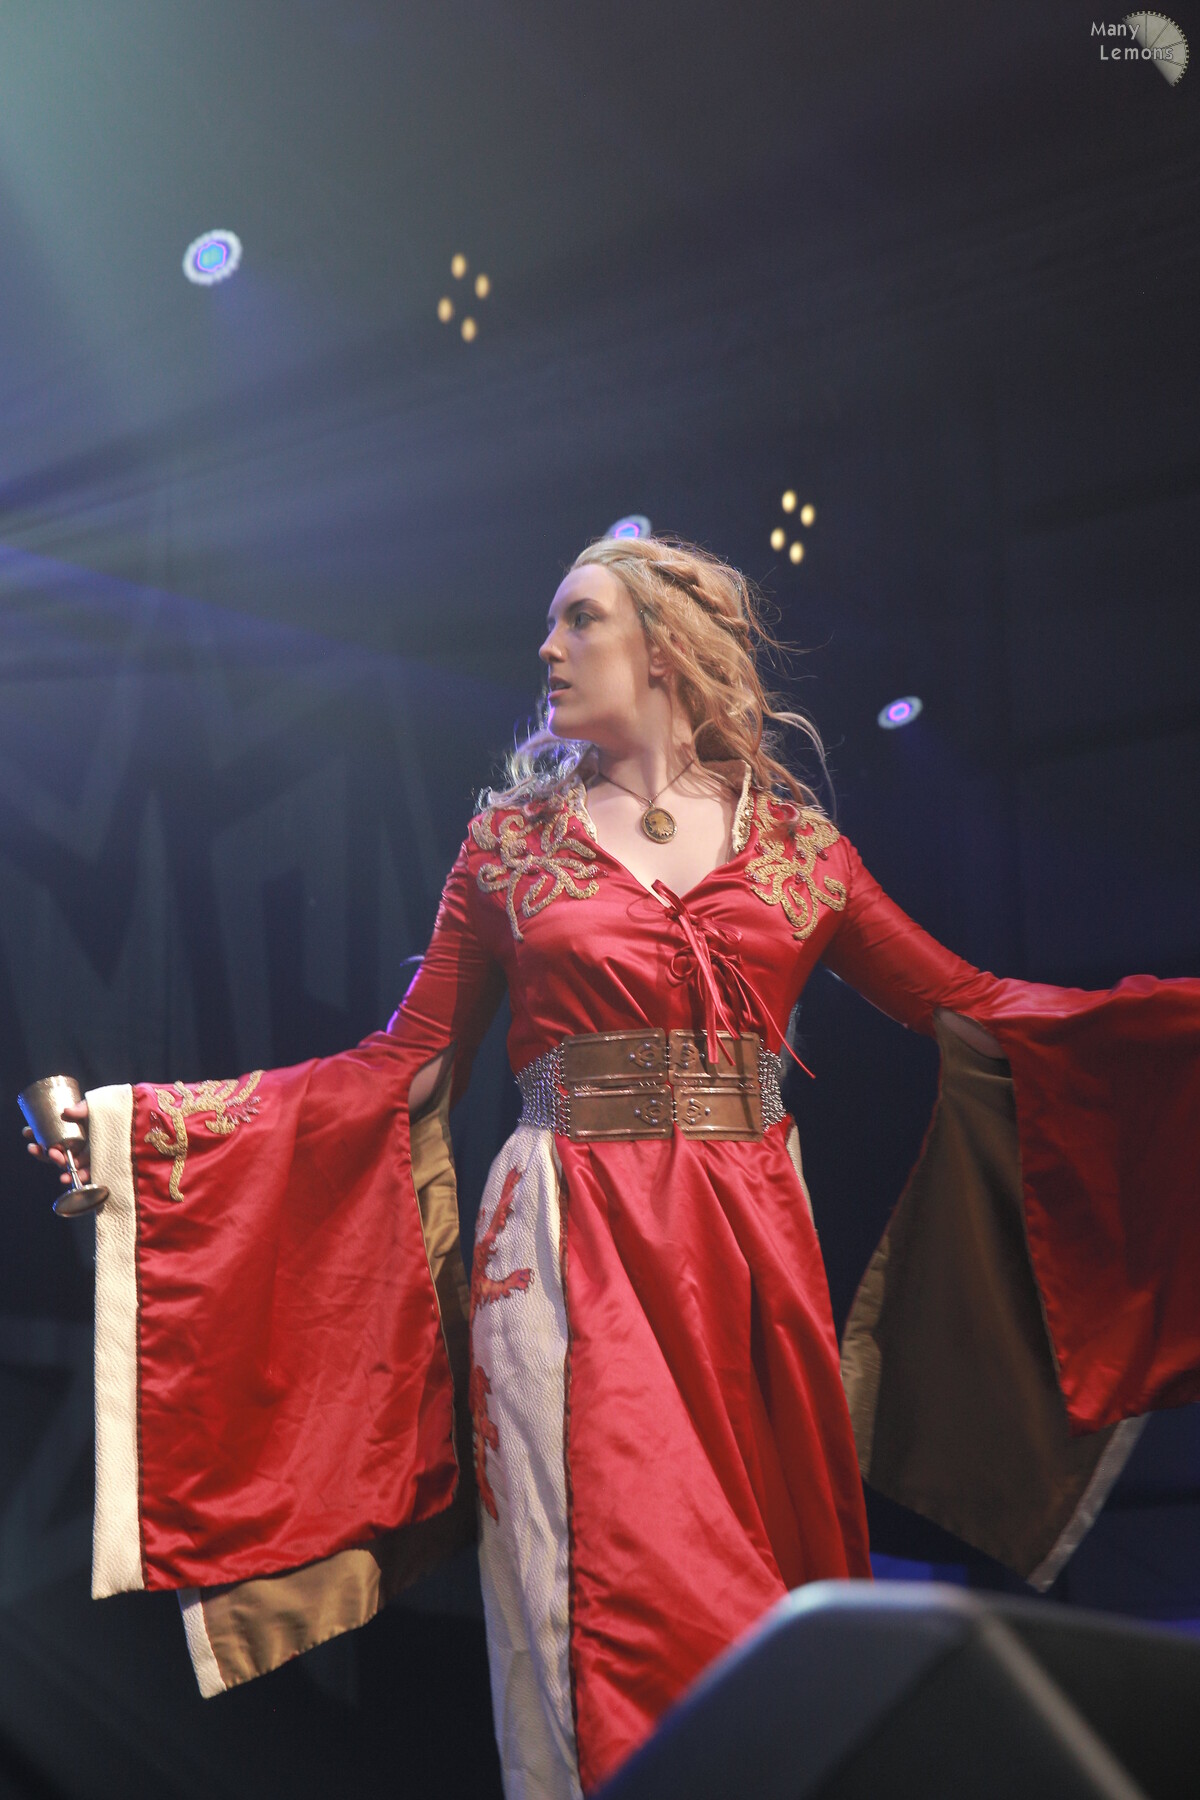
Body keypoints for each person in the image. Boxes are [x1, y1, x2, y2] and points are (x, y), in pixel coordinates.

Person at [27, 536, 1200, 1800]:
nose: (547, 648)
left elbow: (979, 1012)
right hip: (569, 1242)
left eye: (578, 619)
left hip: (754, 1257)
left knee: (777, 1602)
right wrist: (139, 1136)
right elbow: (401, 1068)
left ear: (668, 648)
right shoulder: (509, 847)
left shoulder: (801, 851)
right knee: (618, 1590)